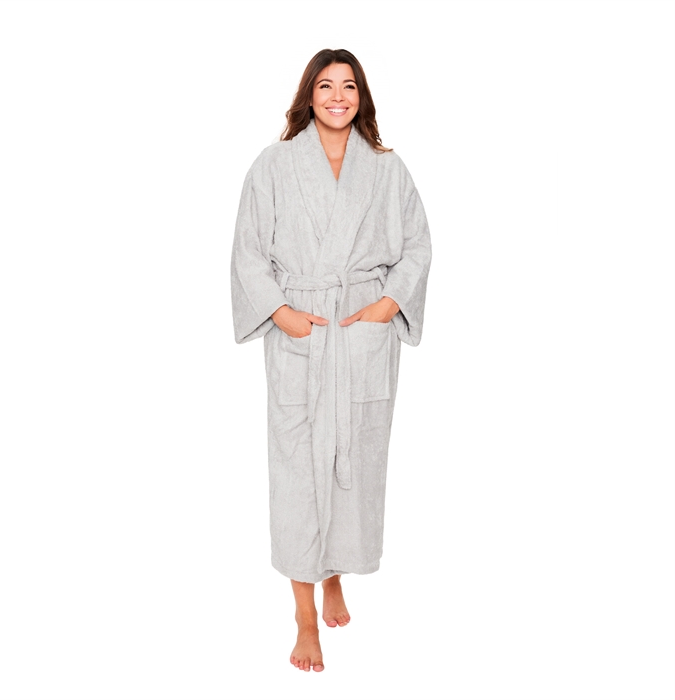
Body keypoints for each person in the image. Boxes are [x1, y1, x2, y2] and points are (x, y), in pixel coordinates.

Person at [230, 48, 432, 672]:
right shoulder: (273, 164)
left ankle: (335, 573)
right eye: (325, 85)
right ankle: (304, 615)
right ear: (308, 95)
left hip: (358, 333)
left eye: (348, 86)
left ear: (361, 96)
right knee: (297, 475)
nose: (337, 96)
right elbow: (247, 252)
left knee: (352, 464)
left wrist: (386, 305)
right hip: (303, 334)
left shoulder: (387, 169)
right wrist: (281, 313)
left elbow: (418, 246)